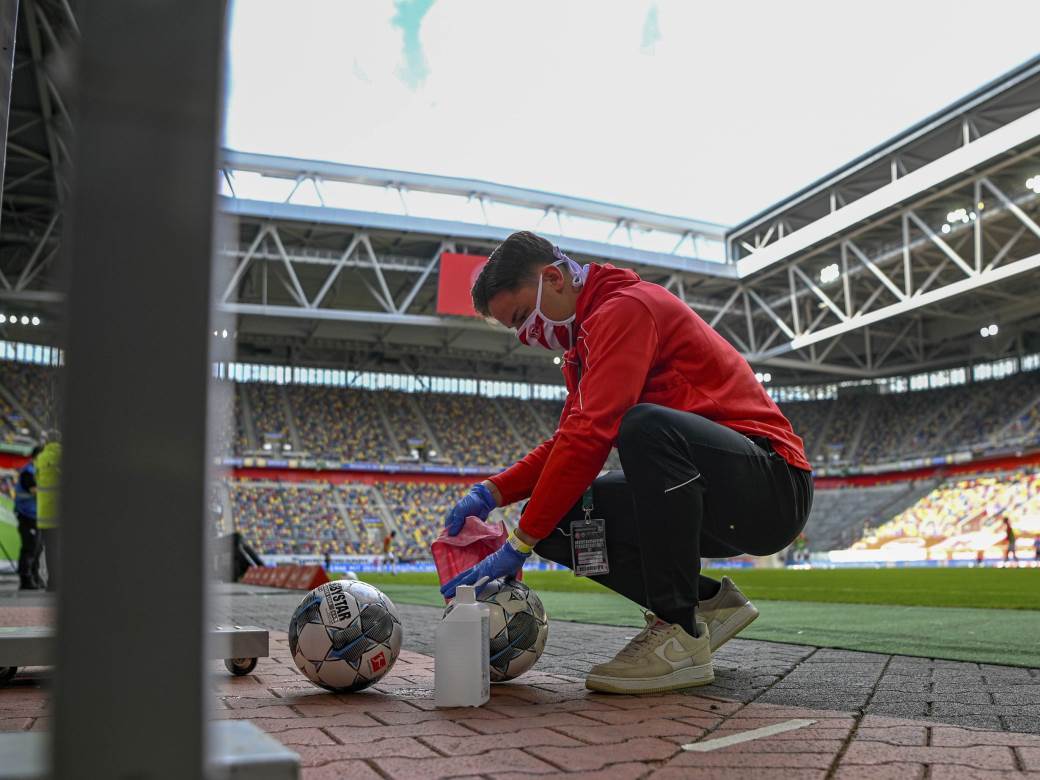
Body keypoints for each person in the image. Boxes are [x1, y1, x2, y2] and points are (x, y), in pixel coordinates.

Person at [440, 231, 813, 694]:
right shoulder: (586, 342)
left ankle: (680, 633)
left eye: (522, 318)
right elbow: (568, 439)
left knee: (644, 428)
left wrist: (517, 543)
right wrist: (493, 492)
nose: (527, 336)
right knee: (563, 523)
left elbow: (592, 433)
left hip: (771, 485)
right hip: (711, 491)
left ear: (553, 278)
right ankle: (710, 606)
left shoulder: (625, 309)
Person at [14, 445, 44, 590]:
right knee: (30, 547)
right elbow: (35, 491)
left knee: (37, 548)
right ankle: (26, 579)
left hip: (36, 515)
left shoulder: (38, 471)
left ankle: (35, 577)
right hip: (27, 515)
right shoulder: (28, 472)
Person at [36, 432, 62, 591]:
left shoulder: (41, 457)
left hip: (45, 513)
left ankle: (53, 583)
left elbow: (37, 480)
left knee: (50, 550)